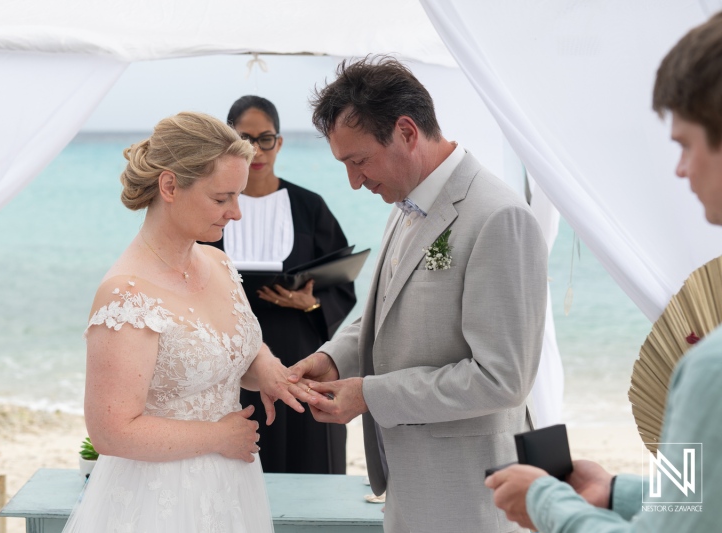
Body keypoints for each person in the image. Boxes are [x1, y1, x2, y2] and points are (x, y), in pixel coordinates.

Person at [287, 57, 549, 532]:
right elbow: (384, 311)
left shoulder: (498, 216)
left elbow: (502, 378)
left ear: (407, 132)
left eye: (359, 160)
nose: (354, 181)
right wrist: (333, 359)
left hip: (472, 492)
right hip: (409, 485)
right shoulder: (404, 203)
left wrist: (369, 395)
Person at [485, 12, 722, 532]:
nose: (679, 169)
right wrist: (616, 490)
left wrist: (546, 502)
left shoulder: (712, 368)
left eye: (684, 144)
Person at [61, 111, 309, 532]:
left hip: (232, 488)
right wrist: (218, 437)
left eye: (238, 197)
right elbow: (111, 431)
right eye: (221, 198)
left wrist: (263, 365)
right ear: (170, 186)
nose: (236, 214)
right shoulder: (127, 294)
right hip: (158, 500)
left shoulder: (218, 261)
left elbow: (228, 347)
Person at [206, 95, 356, 474]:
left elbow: (340, 284)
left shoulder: (310, 206)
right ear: (228, 143)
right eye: (245, 138)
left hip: (299, 361)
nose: (257, 149)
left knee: (309, 465)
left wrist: (309, 302)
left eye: (266, 138)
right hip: (231, 364)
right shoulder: (211, 208)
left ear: (279, 142)